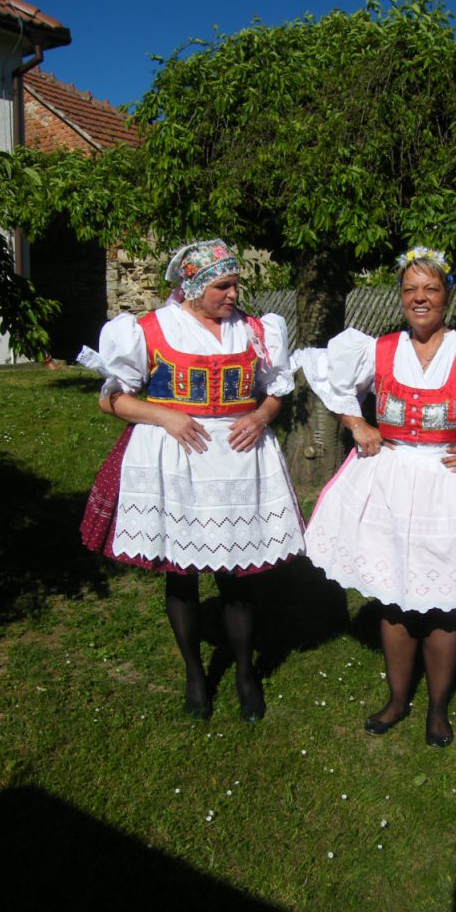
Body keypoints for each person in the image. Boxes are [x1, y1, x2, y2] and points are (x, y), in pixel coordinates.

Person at [295, 246, 456, 747]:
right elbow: (332, 384)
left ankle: (437, 709)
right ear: (400, 296)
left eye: (431, 289)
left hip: (451, 487)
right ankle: (397, 701)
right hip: (388, 481)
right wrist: (357, 424)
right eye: (410, 289)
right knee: (393, 601)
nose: (420, 298)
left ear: (446, 296)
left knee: (446, 604)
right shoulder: (377, 349)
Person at [77, 239, 305, 723]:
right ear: (194, 287)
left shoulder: (256, 330)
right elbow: (111, 400)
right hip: (175, 457)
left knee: (237, 574)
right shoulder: (150, 329)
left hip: (238, 460)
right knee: (181, 574)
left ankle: (245, 672)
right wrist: (167, 416)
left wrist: (261, 416)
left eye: (235, 284)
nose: (233, 294)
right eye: (223, 286)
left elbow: (275, 391)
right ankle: (195, 673)